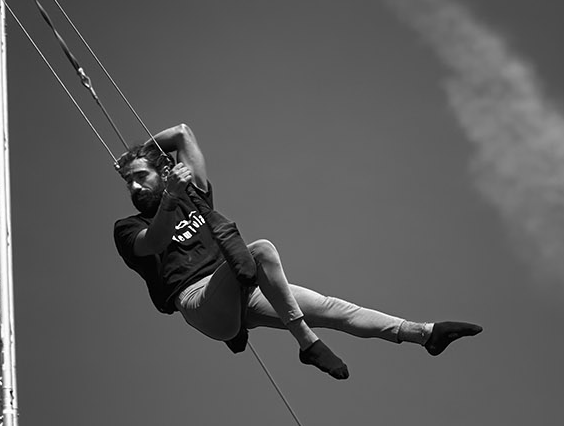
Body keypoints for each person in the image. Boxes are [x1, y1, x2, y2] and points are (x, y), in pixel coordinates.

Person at [112, 123, 482, 381]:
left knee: (333, 308)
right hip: (201, 303)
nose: (134, 184)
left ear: (160, 171)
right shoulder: (128, 227)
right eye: (128, 181)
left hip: (242, 290)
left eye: (141, 175)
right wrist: (167, 191)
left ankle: (424, 333)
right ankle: (307, 342)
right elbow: (153, 243)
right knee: (260, 251)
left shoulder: (193, 195)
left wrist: (142, 153)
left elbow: (181, 133)